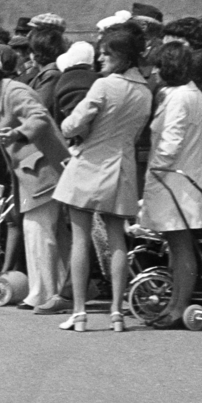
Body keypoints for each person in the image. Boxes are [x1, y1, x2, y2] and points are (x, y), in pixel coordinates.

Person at [53, 23, 154, 332]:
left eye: (106, 53)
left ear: (122, 56)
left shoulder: (104, 85)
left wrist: (73, 128)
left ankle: (81, 312)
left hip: (88, 165)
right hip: (121, 168)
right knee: (117, 240)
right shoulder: (145, 91)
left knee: (80, 239)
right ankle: (117, 312)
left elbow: (73, 124)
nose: (100, 58)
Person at [0, 55, 71, 313]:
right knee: (49, 233)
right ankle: (61, 290)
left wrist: (18, 133)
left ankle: (44, 293)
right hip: (31, 173)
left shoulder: (14, 91)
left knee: (37, 230)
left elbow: (39, 117)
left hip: (44, 171)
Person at [139, 40, 202, 327]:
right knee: (178, 246)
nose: (154, 71)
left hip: (174, 183)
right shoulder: (188, 93)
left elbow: (171, 140)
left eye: (158, 65)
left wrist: (157, 166)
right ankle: (175, 303)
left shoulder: (180, 97)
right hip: (180, 182)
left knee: (180, 247)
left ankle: (178, 307)